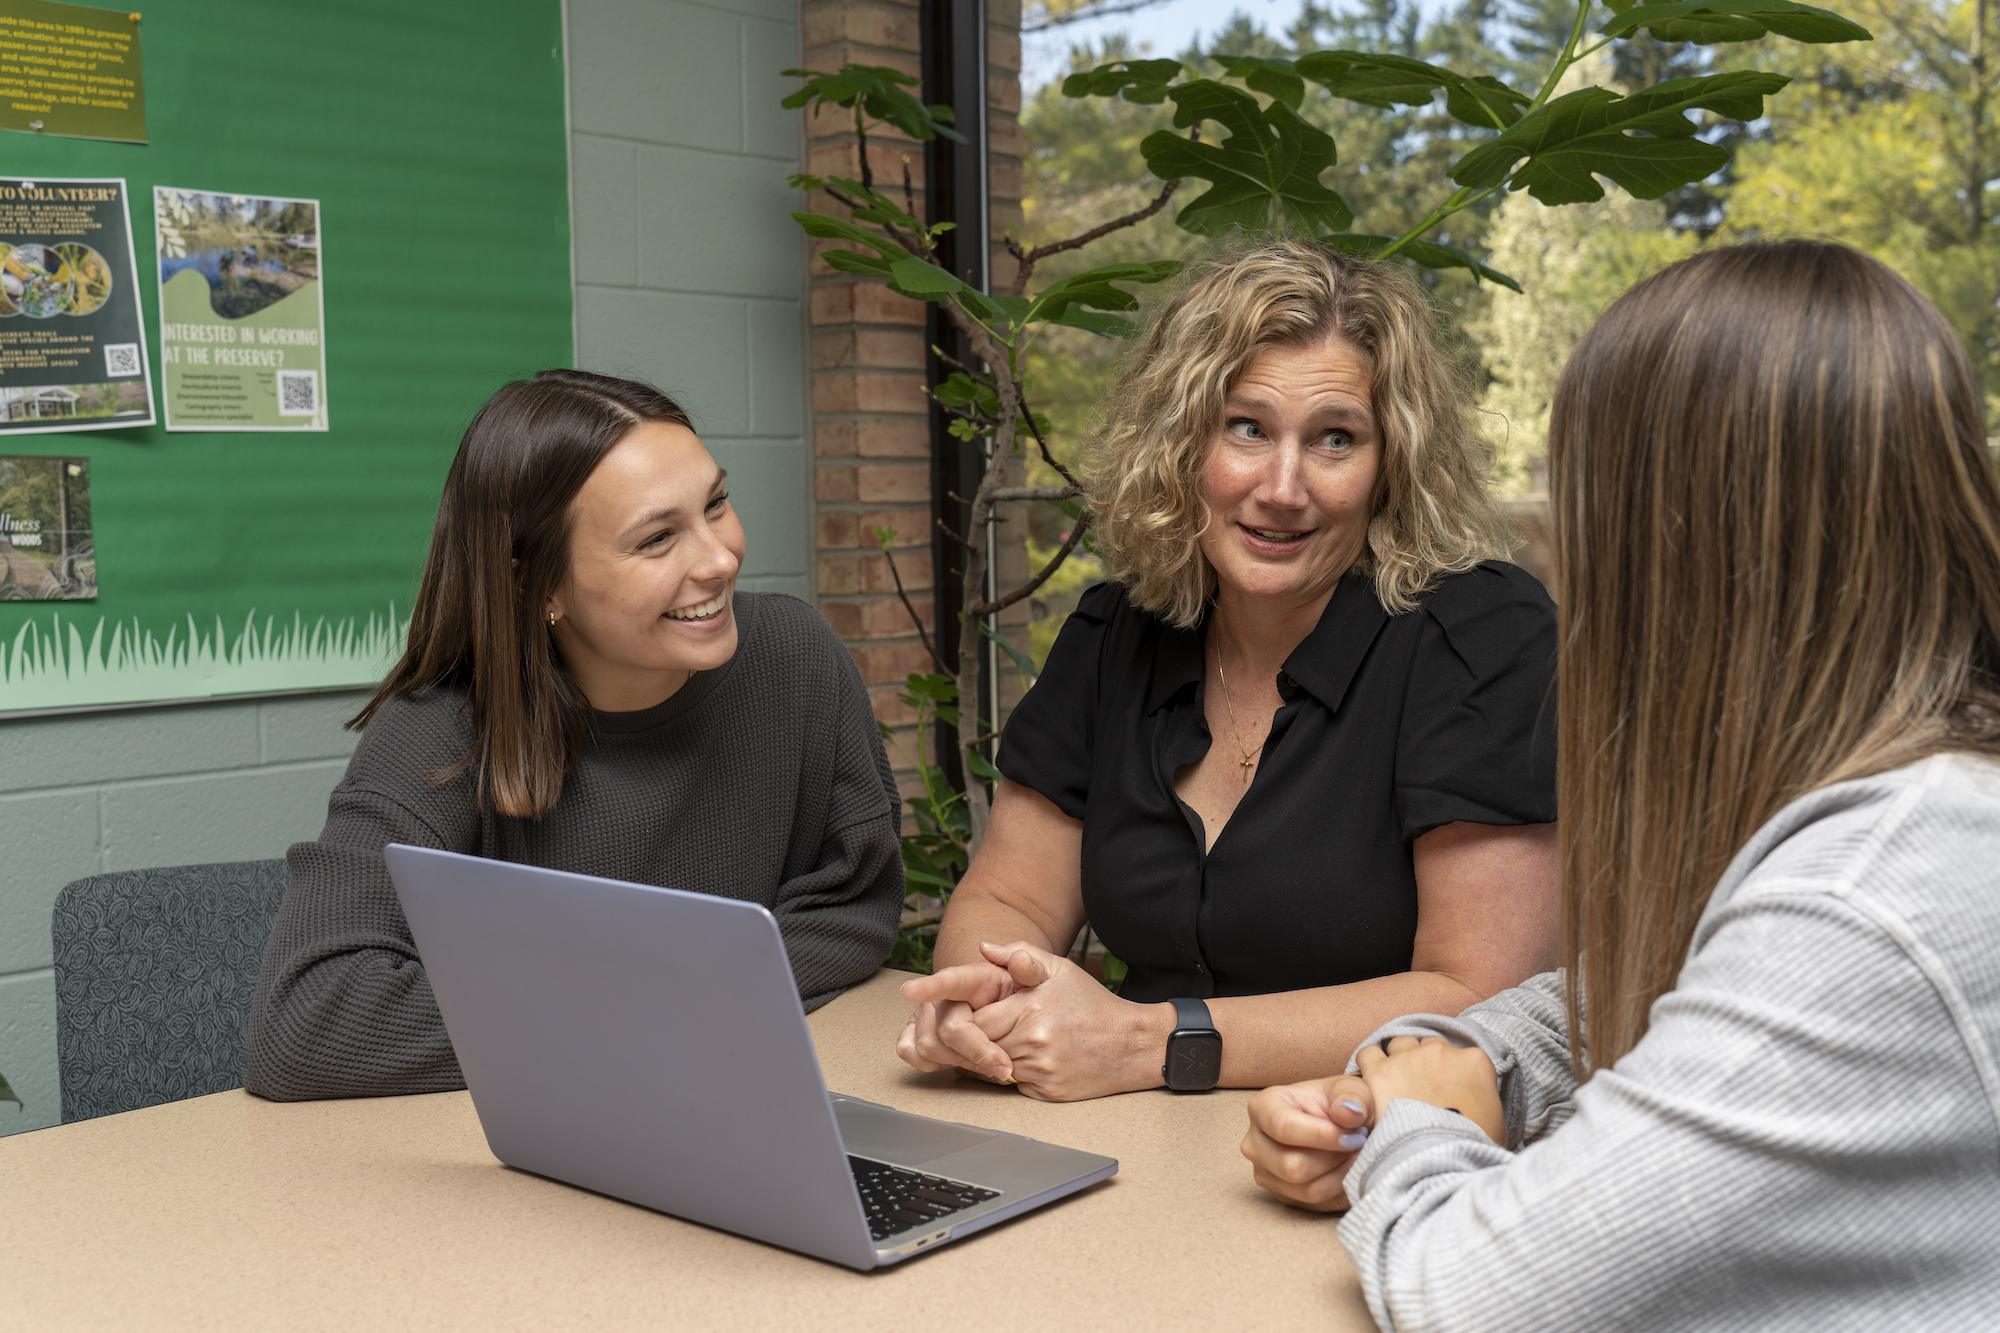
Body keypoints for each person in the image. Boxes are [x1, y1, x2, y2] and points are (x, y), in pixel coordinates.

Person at [1241, 241, 2000, 1328]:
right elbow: (1654, 1001)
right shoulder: (1913, 800)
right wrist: (1446, 1062)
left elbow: (1471, 1293)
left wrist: (1411, 1130)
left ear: (1669, 545)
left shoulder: (1871, 893)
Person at [896, 240, 1562, 1102]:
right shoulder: (1114, 634)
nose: (1283, 487)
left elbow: (1478, 997)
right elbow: (1008, 903)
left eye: (1335, 438)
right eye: (1246, 428)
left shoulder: (1481, 639)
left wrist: (1149, 1042)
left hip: (1363, 1151)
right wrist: (985, 1006)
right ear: (1182, 442)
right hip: (1123, 1142)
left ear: (1389, 465)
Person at [247, 369, 904, 1100]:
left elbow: (852, 904)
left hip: (739, 1103)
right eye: (658, 538)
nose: (719, 558)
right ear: (539, 586)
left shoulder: (793, 656)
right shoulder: (441, 726)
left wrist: (623, 1010)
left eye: (715, 503)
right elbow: (311, 1019)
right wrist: (686, 1003)